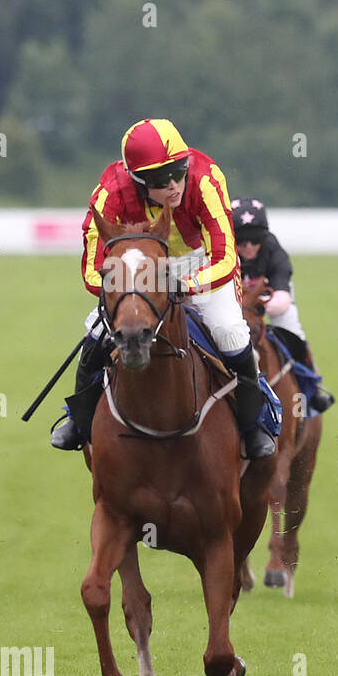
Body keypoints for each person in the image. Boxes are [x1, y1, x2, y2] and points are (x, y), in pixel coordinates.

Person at [53, 118, 275, 458]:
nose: (174, 185)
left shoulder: (206, 179)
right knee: (95, 334)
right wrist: (128, 288)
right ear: (137, 181)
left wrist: (187, 284)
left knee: (230, 332)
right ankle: (79, 421)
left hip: (202, 267)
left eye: (179, 170)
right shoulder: (109, 194)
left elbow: (226, 256)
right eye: (159, 179)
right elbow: (92, 271)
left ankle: (253, 425)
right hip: (137, 273)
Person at [231, 196, 335, 413]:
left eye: (254, 241)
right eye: (242, 242)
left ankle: (313, 388)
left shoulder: (274, 251)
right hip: (235, 303)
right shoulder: (225, 251)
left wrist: (260, 306)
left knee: (294, 334)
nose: (248, 247)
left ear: (264, 237)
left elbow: (282, 296)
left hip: (273, 299)